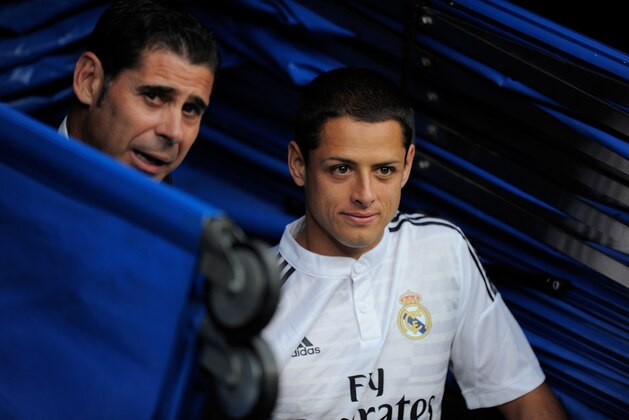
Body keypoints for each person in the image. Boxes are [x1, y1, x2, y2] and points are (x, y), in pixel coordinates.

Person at [261, 67, 567, 419]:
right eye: (341, 169)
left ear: (407, 165)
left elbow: (521, 394)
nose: (365, 195)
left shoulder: (441, 250)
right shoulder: (254, 303)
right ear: (298, 164)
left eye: (384, 171)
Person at [59, 0, 220, 183]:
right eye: (154, 96)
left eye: (189, 109)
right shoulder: (19, 167)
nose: (174, 132)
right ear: (88, 80)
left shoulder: (178, 212)